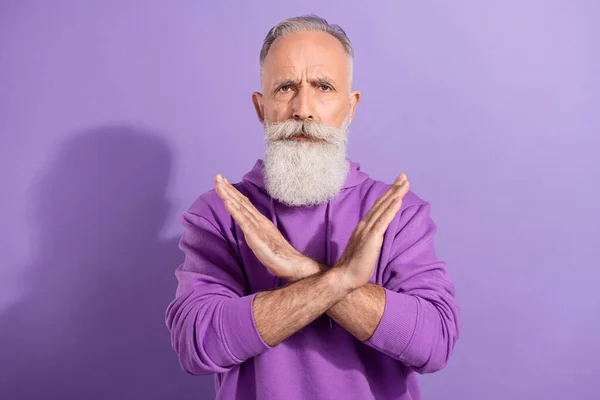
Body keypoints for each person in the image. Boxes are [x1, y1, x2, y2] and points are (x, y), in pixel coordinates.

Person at [166, 14, 461, 400]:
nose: (303, 109)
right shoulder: (221, 213)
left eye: (323, 86)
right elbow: (198, 343)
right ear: (261, 107)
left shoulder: (397, 213)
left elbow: (434, 343)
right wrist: (338, 280)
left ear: (351, 106)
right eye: (286, 87)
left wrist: (302, 269)